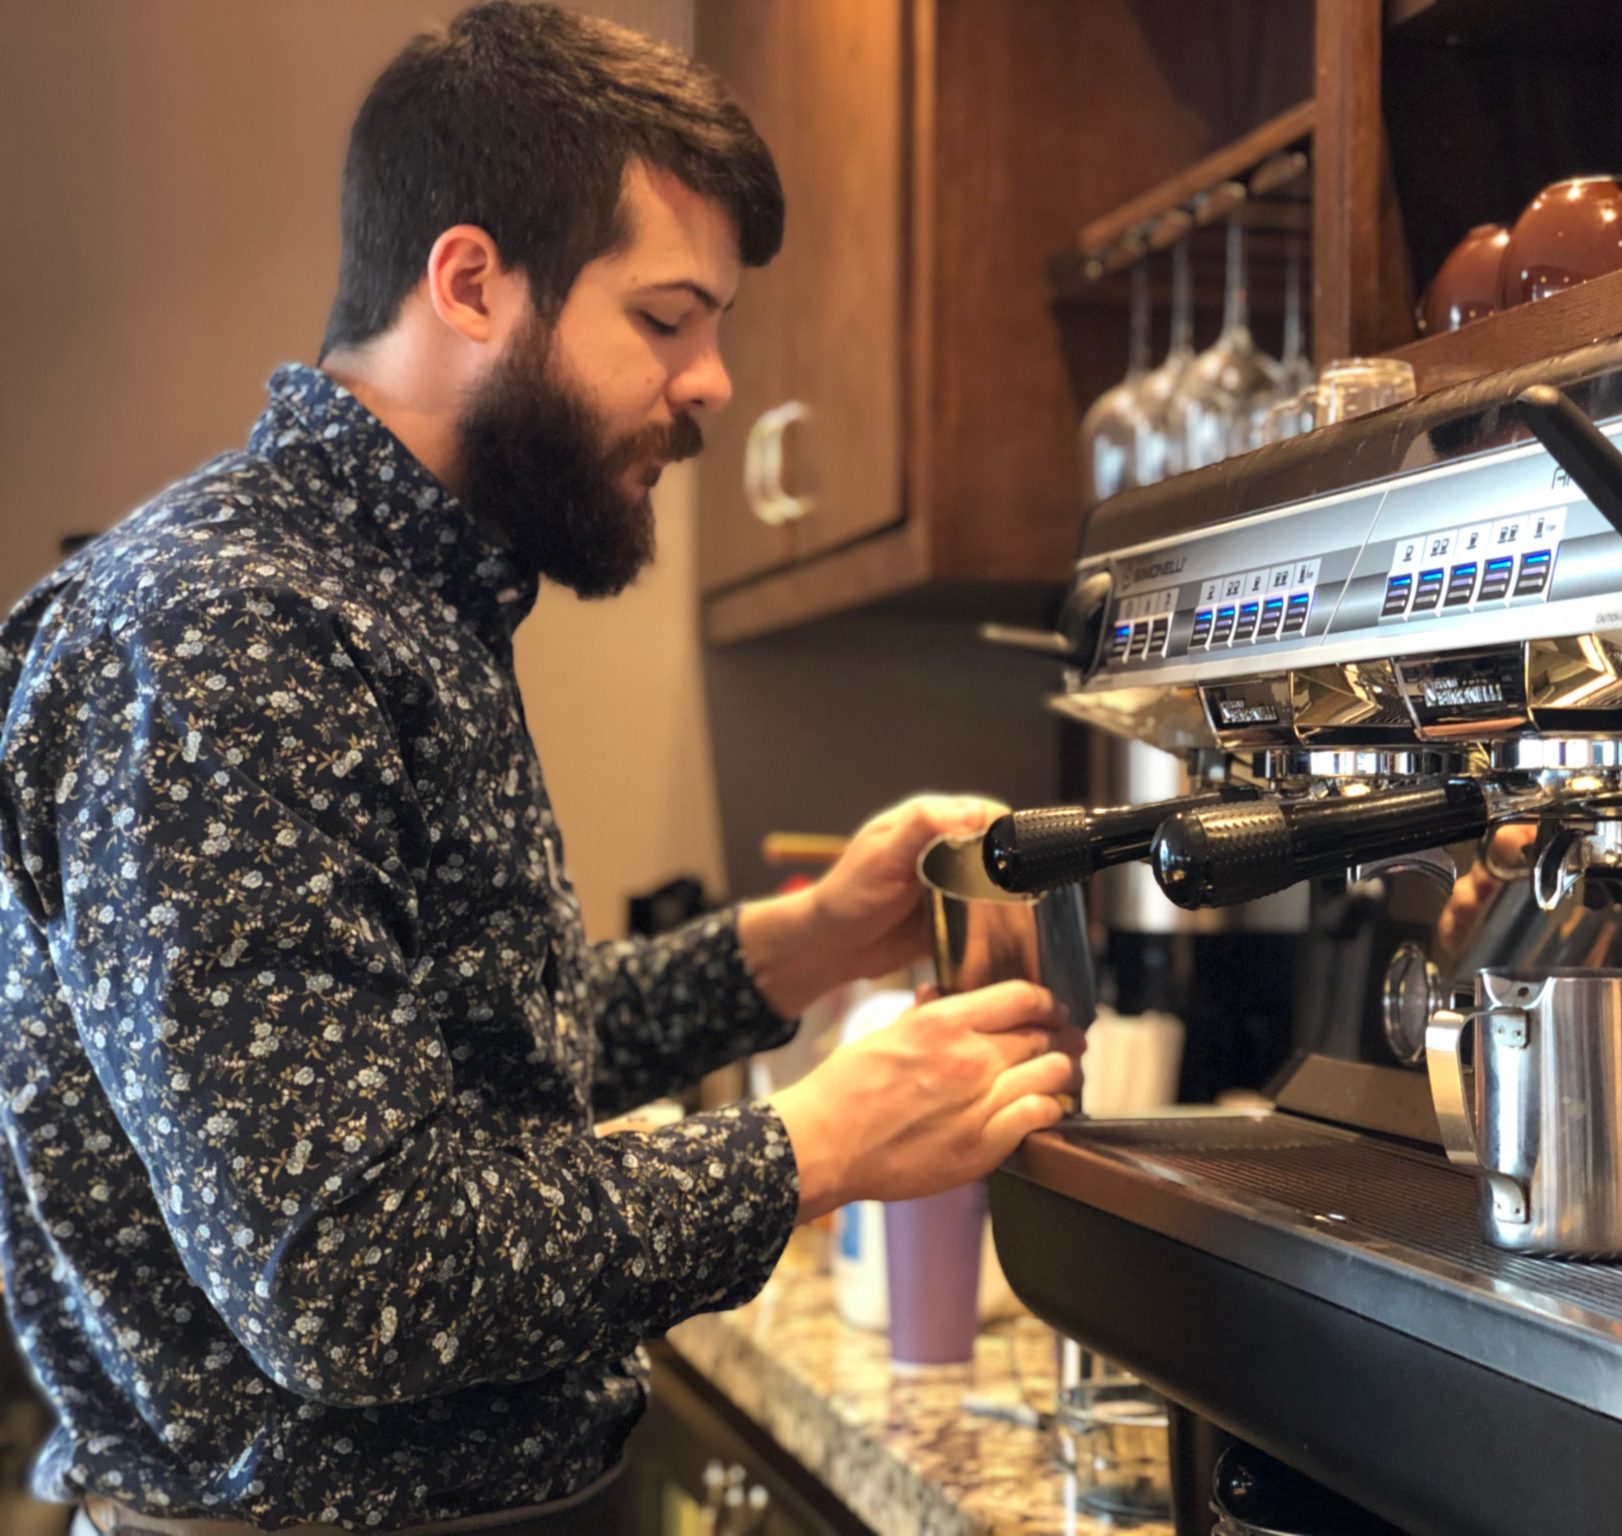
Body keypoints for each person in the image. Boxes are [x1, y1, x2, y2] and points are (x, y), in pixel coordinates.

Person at [0, 5, 1082, 1532]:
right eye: (665, 318)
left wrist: (799, 943)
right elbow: (348, 1270)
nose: (711, 382)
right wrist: (812, 1147)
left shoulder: (387, 596)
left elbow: (461, 1067)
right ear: (471, 281)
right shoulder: (227, 632)